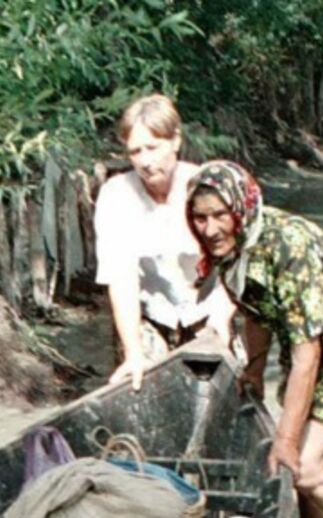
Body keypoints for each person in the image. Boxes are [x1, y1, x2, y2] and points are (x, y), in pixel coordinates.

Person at [185, 160, 323, 518]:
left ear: (240, 209)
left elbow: (308, 352)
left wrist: (285, 440)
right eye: (201, 218)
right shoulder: (233, 249)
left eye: (220, 215)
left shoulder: (287, 246)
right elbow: (256, 313)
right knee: (300, 453)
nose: (211, 229)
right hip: (309, 347)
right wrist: (255, 370)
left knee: (304, 465)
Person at [94, 94, 234, 391]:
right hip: (151, 316)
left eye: (153, 148)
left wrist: (221, 319)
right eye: (135, 152)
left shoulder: (205, 186)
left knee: (229, 392)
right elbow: (121, 278)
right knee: (144, 389)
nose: (145, 161)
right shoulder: (116, 196)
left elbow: (233, 263)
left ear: (175, 141)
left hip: (207, 308)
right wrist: (134, 353)